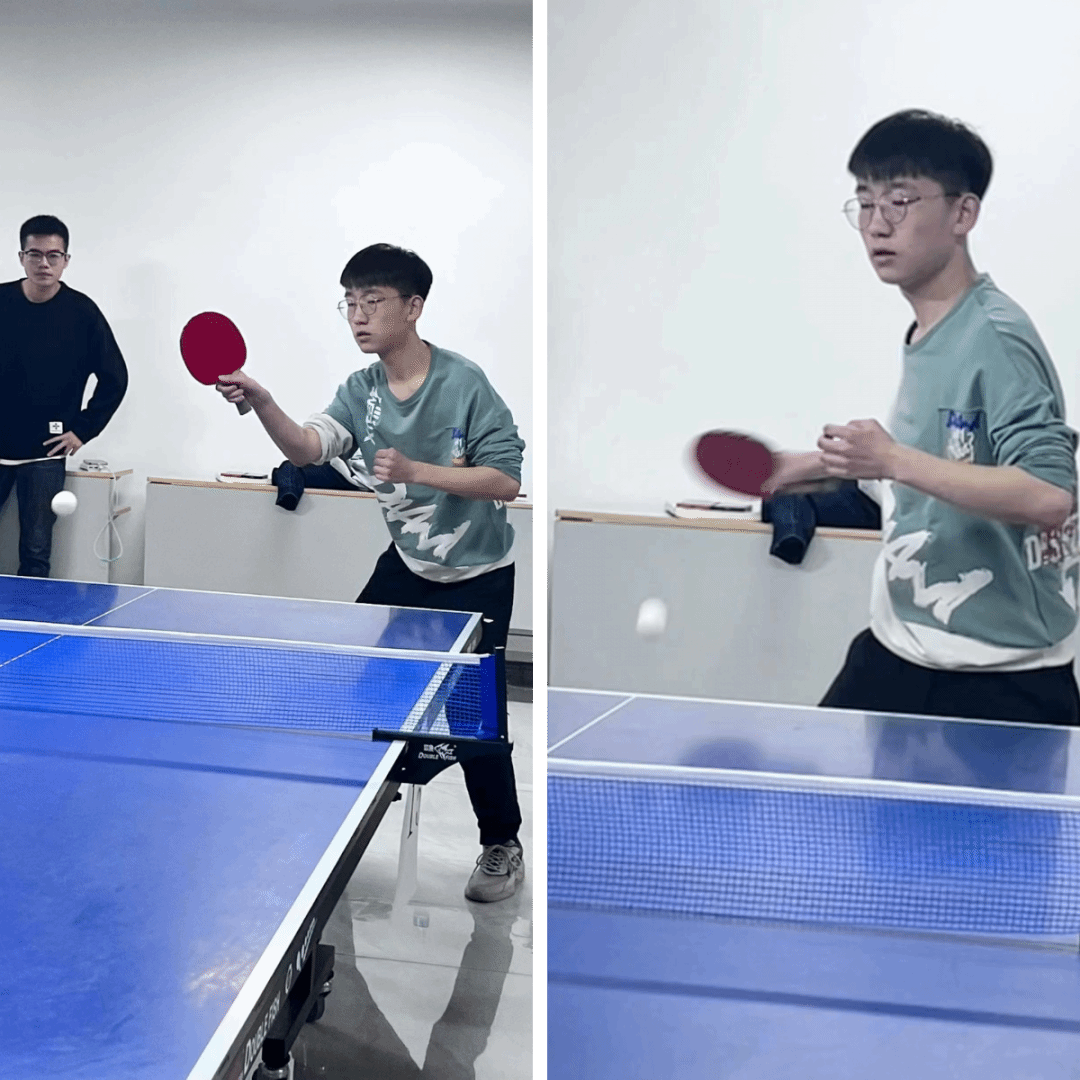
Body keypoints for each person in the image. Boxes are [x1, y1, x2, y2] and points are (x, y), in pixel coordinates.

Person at [217, 242, 527, 901]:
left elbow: (505, 479)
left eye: (373, 302)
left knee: (474, 718)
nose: (358, 316)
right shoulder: (361, 390)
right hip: (407, 566)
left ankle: (501, 842)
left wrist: (417, 471)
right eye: (350, 303)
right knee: (359, 693)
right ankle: (337, 818)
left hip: (478, 575)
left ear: (413, 308)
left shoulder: (464, 383)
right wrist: (264, 401)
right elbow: (307, 448)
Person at [765, 109, 1080, 726]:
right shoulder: (932, 329)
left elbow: (1049, 495)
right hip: (901, 646)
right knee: (812, 781)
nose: (876, 224)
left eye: (900, 201)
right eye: (865, 202)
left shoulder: (995, 338)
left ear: (963, 214)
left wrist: (891, 458)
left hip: (999, 674)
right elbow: (938, 463)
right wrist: (807, 466)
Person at [0, 215, 128, 576]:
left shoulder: (82, 313)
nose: (44, 263)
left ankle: (31, 615)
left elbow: (115, 378)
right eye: (35, 254)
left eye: (53, 255)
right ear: (21, 257)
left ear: (66, 260)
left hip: (44, 454)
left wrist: (83, 430)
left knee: (36, 552)